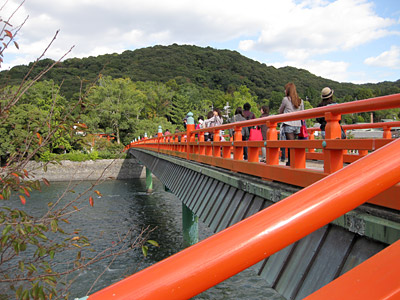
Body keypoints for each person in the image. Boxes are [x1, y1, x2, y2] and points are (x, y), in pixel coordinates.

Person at [279, 82, 304, 166]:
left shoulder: (286, 99)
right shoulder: (300, 101)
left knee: (290, 144)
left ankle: (291, 161)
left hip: (288, 124)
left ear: (288, 91)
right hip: (298, 125)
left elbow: (280, 111)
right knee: (294, 144)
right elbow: (302, 112)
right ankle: (294, 161)